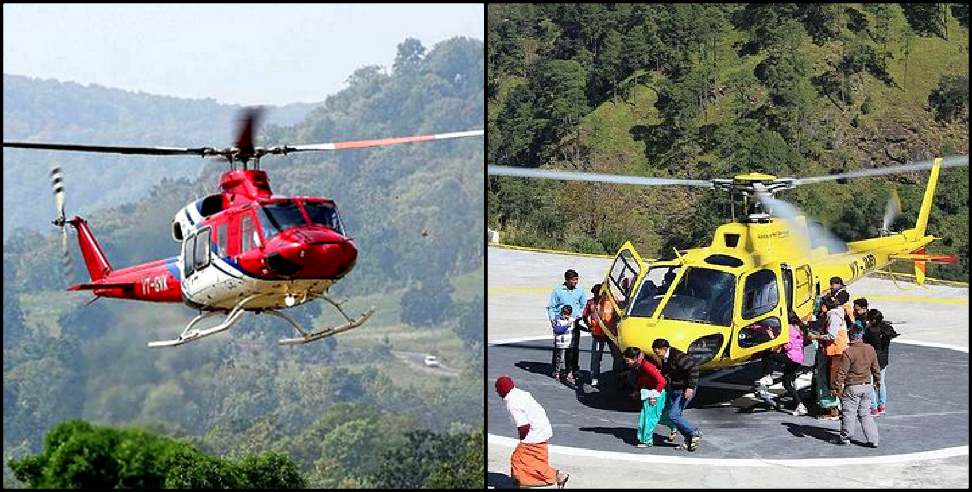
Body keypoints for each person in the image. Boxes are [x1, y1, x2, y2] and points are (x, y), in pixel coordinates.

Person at [495, 376, 569, 488]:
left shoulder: (512, 402)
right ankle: (555, 476)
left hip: (534, 433)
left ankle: (528, 480)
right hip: (542, 427)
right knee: (536, 460)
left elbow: (523, 426)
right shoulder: (520, 393)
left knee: (518, 459)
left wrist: (523, 441)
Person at [831, 330, 881, 447]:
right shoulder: (870, 349)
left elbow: (842, 372)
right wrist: (878, 380)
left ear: (850, 338)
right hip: (867, 386)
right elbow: (875, 367)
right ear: (861, 337)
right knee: (865, 414)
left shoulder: (848, 352)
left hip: (853, 386)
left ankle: (846, 437)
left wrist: (838, 387)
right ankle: (873, 439)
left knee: (849, 413)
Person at [651, 338, 702, 451]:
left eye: (657, 351)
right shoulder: (665, 358)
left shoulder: (678, 357)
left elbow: (693, 368)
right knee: (676, 416)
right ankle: (688, 439)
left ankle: (694, 431)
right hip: (674, 389)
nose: (656, 354)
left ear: (664, 349)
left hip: (684, 390)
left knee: (673, 415)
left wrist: (690, 387)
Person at [757, 311, 808, 415]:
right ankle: (800, 405)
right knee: (787, 383)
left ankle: (767, 376)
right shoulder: (799, 328)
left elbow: (784, 345)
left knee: (767, 355)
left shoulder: (787, 329)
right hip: (799, 359)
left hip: (791, 357)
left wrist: (771, 336)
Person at [808, 297, 848, 420]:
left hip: (835, 352)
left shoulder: (834, 316)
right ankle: (837, 408)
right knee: (832, 379)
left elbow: (832, 335)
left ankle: (836, 409)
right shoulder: (834, 314)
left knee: (833, 381)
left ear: (825, 306)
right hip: (832, 351)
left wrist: (816, 337)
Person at [622, 346, 669, 448]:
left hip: (655, 394)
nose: (627, 363)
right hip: (650, 392)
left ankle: (646, 440)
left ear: (634, 358)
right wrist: (637, 391)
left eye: (628, 360)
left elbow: (662, 381)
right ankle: (673, 427)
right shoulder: (640, 365)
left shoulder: (647, 366)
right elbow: (642, 380)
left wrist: (654, 395)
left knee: (649, 418)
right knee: (652, 416)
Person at [547, 269, 587, 384]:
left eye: (577, 280)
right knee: (559, 347)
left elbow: (584, 305)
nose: (576, 282)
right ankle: (556, 369)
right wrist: (553, 320)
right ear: (567, 280)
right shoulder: (558, 291)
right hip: (561, 322)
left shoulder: (580, 291)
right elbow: (551, 306)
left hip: (574, 323)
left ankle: (573, 369)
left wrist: (579, 315)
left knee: (573, 347)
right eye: (573, 280)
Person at [863, 308, 898, 416]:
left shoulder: (870, 331)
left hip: (872, 358)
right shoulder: (887, 329)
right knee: (881, 382)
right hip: (883, 359)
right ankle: (881, 405)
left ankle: (873, 407)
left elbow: (865, 342)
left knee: (870, 383)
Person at [582, 284, 609, 387]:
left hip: (610, 334)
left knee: (617, 356)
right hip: (597, 334)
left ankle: (618, 376)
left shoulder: (610, 302)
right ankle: (594, 377)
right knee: (596, 357)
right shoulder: (591, 303)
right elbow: (585, 315)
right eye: (595, 293)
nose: (597, 294)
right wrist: (589, 326)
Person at [551, 306, 573, 383]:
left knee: (569, 359)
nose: (565, 315)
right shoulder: (557, 319)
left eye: (567, 314)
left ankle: (568, 372)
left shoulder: (571, 320)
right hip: (559, 343)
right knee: (559, 358)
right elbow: (557, 329)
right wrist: (566, 326)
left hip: (568, 343)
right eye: (564, 313)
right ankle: (557, 372)